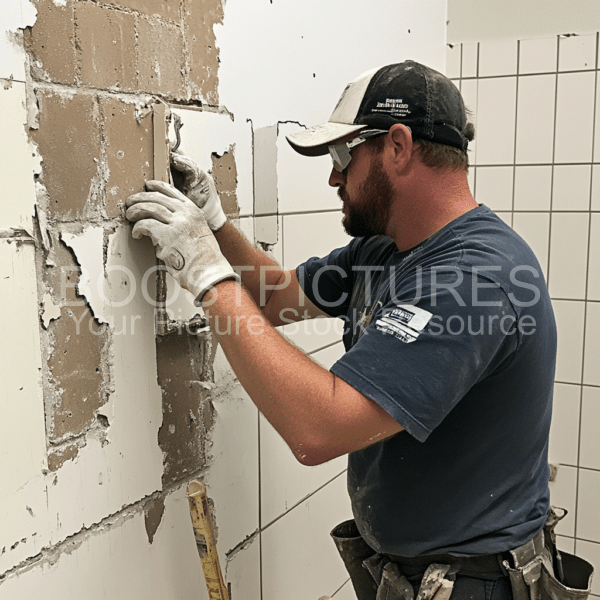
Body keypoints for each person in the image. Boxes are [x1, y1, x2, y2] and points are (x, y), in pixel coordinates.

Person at [126, 61, 560, 600]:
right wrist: (214, 225)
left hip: (478, 583)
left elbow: (319, 429)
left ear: (398, 148)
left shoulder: (472, 278)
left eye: (342, 156)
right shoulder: (386, 248)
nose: (334, 178)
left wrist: (210, 279)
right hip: (413, 572)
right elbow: (281, 296)